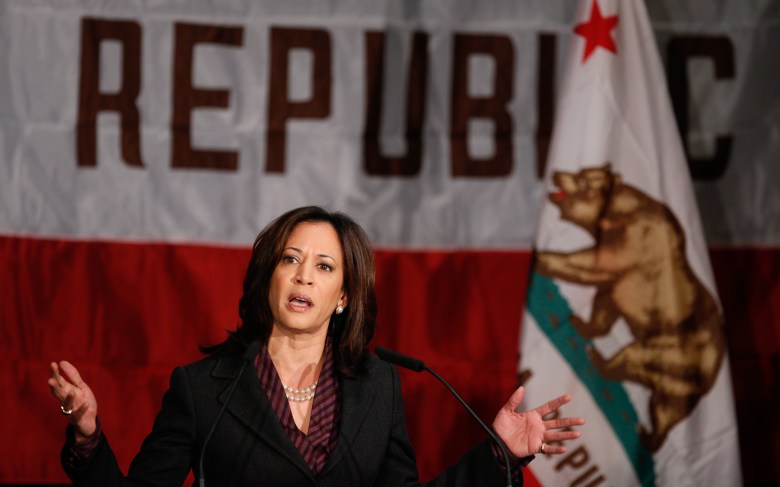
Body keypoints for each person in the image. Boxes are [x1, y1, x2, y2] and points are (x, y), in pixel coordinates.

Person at [48, 205, 584, 486]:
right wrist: (87, 434)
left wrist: (499, 454)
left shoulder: (378, 387)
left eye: (324, 267)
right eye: (290, 260)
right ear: (269, 278)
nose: (304, 277)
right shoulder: (202, 390)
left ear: (344, 296)